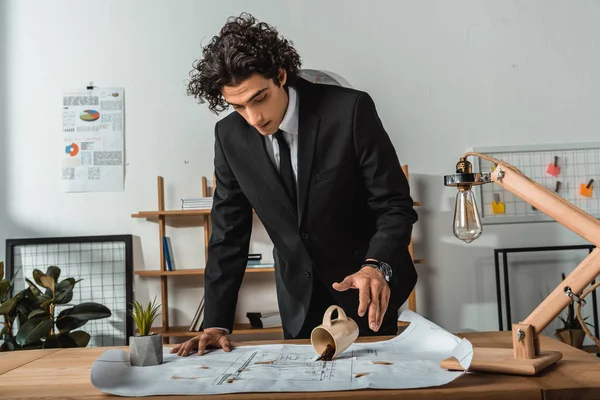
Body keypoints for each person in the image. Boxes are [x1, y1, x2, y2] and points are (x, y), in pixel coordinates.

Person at [171, 12, 418, 357]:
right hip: (297, 300)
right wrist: (216, 323)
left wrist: (375, 267)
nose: (254, 119)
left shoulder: (349, 110)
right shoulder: (229, 136)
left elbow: (394, 205)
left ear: (281, 75)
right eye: (237, 106)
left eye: (259, 98)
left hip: (366, 290)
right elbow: (229, 233)